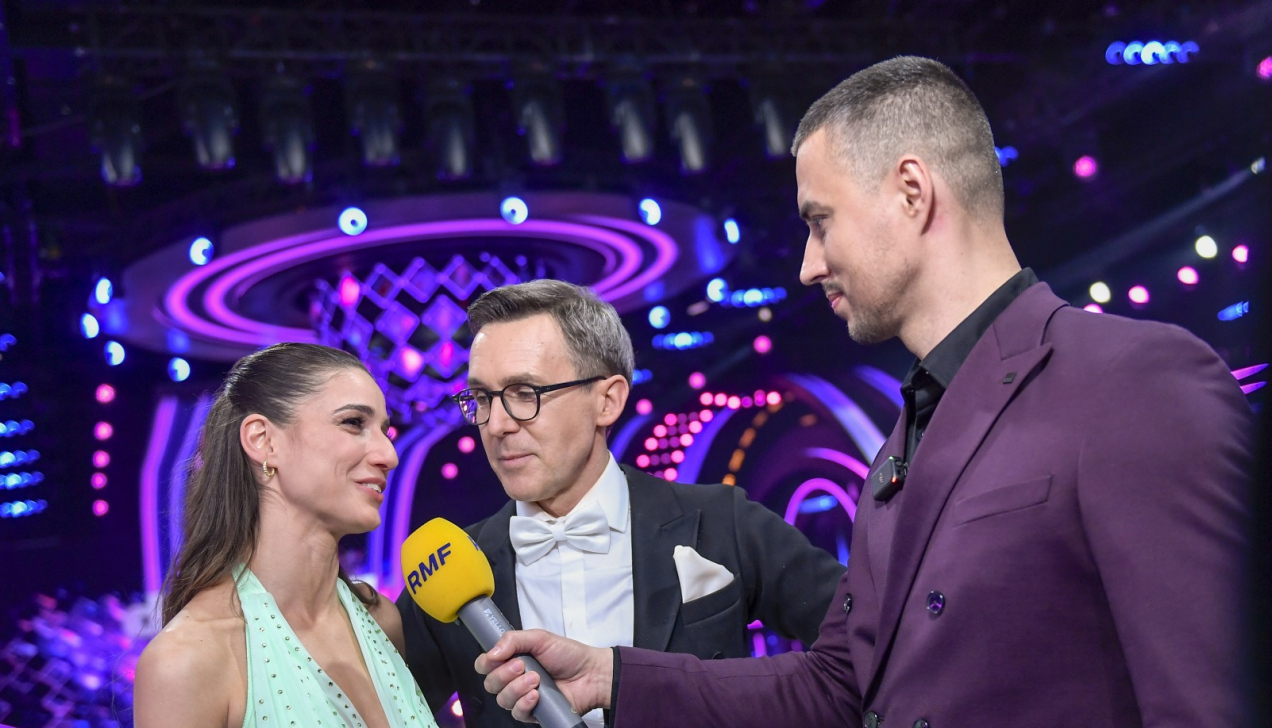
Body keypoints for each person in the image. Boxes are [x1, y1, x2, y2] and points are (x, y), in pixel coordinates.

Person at [474, 56, 1254, 728]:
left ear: (912, 191)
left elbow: (1210, 704)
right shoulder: (900, 447)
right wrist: (616, 675)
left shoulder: (1133, 381)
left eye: (821, 222)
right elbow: (840, 684)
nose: (808, 264)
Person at [394, 279, 846, 728]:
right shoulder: (447, 569)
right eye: (481, 399)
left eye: (525, 394)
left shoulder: (721, 520)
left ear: (607, 401)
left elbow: (865, 652)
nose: (496, 425)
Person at [134, 344, 438, 728]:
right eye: (353, 423)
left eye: (385, 431)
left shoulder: (382, 620)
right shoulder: (187, 660)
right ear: (263, 440)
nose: (388, 455)